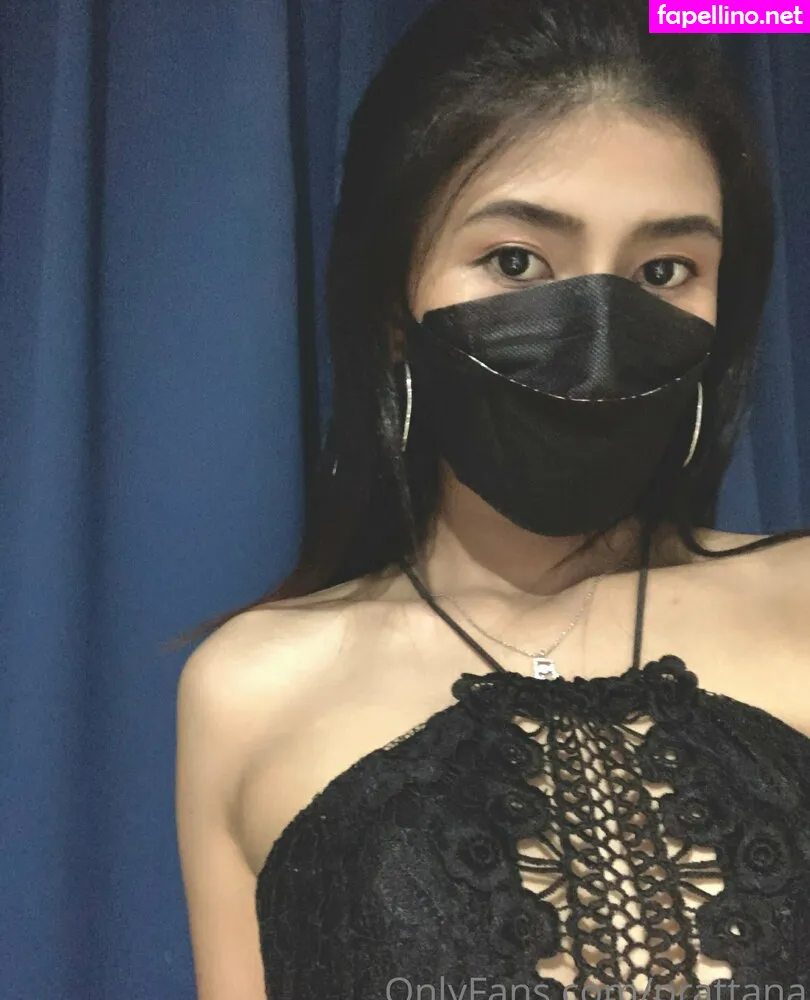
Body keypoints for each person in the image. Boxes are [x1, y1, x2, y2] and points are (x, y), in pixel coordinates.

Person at [174, 0, 810, 996]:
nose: (598, 334)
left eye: (663, 271)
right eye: (516, 262)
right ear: (395, 302)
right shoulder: (250, 690)